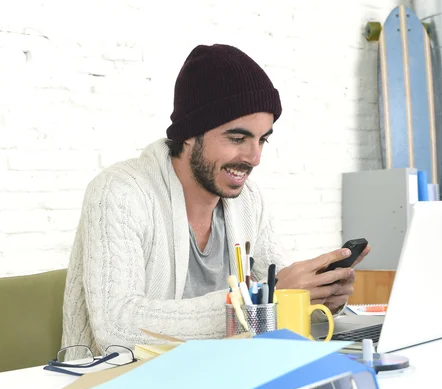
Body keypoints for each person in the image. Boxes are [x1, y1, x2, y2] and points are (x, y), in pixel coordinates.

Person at [61, 44, 370, 353]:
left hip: (222, 375)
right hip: (123, 379)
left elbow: (274, 296)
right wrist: (263, 299)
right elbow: (117, 326)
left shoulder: (248, 201)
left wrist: (317, 296)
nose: (254, 157)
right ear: (189, 133)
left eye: (262, 140)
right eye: (237, 139)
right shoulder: (120, 192)